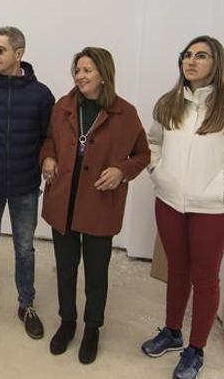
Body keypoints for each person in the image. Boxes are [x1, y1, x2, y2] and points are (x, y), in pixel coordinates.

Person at [141, 36, 224, 379]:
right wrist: (158, 172)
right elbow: (152, 143)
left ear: (216, 63)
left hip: (213, 209)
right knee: (177, 271)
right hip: (169, 202)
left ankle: (196, 349)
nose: (191, 61)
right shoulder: (169, 103)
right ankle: (172, 332)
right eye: (187, 55)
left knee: (205, 277)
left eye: (201, 55)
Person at [40, 47, 150, 364]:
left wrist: (121, 172)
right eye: (77, 70)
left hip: (100, 204)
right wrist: (47, 156)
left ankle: (92, 328)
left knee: (96, 273)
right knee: (64, 268)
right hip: (63, 202)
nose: (80, 76)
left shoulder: (125, 113)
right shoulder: (63, 106)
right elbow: (48, 139)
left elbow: (142, 155)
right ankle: (68, 322)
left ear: (103, 74)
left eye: (87, 70)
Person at [0, 26, 55, 339]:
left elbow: (48, 136)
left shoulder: (41, 95)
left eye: (0, 50)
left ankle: (26, 304)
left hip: (25, 185)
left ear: (19, 54)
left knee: (25, 248)